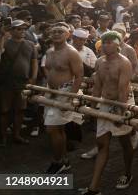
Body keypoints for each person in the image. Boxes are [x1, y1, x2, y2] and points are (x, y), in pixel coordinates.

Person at [80, 31, 134, 195]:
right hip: (105, 103)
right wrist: (91, 107)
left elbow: (123, 89)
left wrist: (121, 112)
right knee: (102, 144)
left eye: (110, 42)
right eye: (104, 42)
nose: (106, 45)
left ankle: (128, 173)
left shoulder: (124, 63)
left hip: (122, 104)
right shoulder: (99, 62)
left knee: (125, 142)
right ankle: (93, 188)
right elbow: (97, 87)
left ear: (118, 44)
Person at [42, 22, 83, 173]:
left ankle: (57, 161)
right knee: (58, 129)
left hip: (65, 93)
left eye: (60, 31)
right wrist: (49, 85)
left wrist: (71, 96)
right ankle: (64, 160)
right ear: (49, 35)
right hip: (51, 92)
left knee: (51, 129)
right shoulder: (49, 52)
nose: (57, 34)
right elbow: (47, 68)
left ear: (67, 35)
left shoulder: (71, 52)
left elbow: (79, 76)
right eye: (54, 31)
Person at [0, 19, 38, 146]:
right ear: (12, 30)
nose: (22, 31)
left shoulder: (31, 44)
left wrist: (33, 77)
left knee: (20, 109)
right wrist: (2, 35)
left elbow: (34, 62)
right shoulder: (6, 43)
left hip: (23, 82)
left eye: (24, 29)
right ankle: (2, 137)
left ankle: (17, 135)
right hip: (6, 82)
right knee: (4, 110)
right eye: (18, 29)